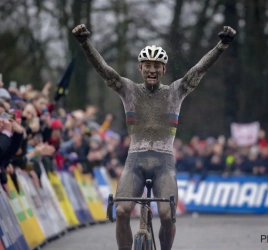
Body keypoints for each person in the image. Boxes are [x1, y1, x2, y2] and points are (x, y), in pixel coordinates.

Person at [72, 24, 236, 250]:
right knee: (121, 211)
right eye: (147, 65)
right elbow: (104, 69)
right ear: (140, 68)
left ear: (164, 69)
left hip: (164, 164)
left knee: (167, 215)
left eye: (156, 66)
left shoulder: (175, 91)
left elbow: (198, 70)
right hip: (135, 162)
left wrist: (221, 46)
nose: (152, 70)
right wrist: (85, 43)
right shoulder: (128, 89)